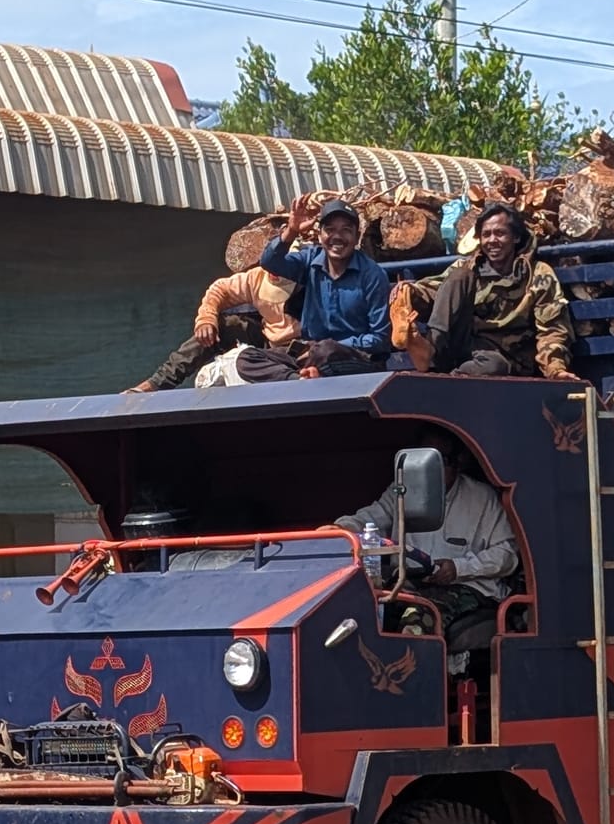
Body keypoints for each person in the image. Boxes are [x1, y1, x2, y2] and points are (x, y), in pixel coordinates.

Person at [337, 435, 519, 650]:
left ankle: (416, 682)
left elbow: (507, 555)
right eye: (421, 461)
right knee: (358, 609)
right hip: (408, 584)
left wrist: (458, 568)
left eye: (436, 461)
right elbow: (374, 516)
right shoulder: (401, 490)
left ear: (458, 462)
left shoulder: (482, 498)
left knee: (417, 617)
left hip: (468, 587)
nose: (428, 469)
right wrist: (342, 528)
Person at [428, 203, 576, 378]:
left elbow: (552, 328)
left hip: (507, 360)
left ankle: (450, 380)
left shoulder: (537, 274)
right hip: (466, 348)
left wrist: (554, 368)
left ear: (515, 237)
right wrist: (407, 293)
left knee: (492, 366)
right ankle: (431, 355)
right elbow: (433, 289)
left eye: (500, 233)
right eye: (486, 235)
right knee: (458, 276)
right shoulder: (467, 267)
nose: (492, 241)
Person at [263, 196, 393, 372]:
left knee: (327, 351)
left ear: (357, 237)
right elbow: (270, 262)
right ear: (320, 235)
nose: (337, 237)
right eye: (330, 230)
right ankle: (301, 377)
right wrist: (291, 232)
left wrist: (332, 346)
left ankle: (309, 372)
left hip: (358, 359)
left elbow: (380, 339)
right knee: (247, 357)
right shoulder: (310, 260)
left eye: (346, 230)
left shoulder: (372, 275)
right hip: (311, 352)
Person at [129, 262, 300, 393]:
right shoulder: (258, 277)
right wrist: (206, 318)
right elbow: (220, 289)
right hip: (270, 344)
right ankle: (156, 384)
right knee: (228, 331)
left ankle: (297, 379)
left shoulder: (308, 273)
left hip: (305, 347)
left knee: (244, 361)